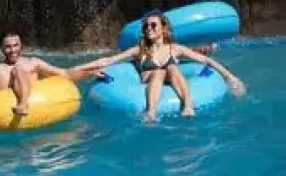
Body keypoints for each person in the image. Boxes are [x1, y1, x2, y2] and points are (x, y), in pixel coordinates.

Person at [69, 11, 246, 121]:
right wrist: (79, 68)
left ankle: (188, 106)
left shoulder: (175, 49)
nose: (149, 29)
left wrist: (229, 76)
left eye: (153, 25)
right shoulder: (140, 49)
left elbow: (206, 61)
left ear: (163, 28)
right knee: (159, 73)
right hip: (150, 81)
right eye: (146, 26)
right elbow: (109, 60)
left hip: (172, 76)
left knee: (171, 68)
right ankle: (151, 112)